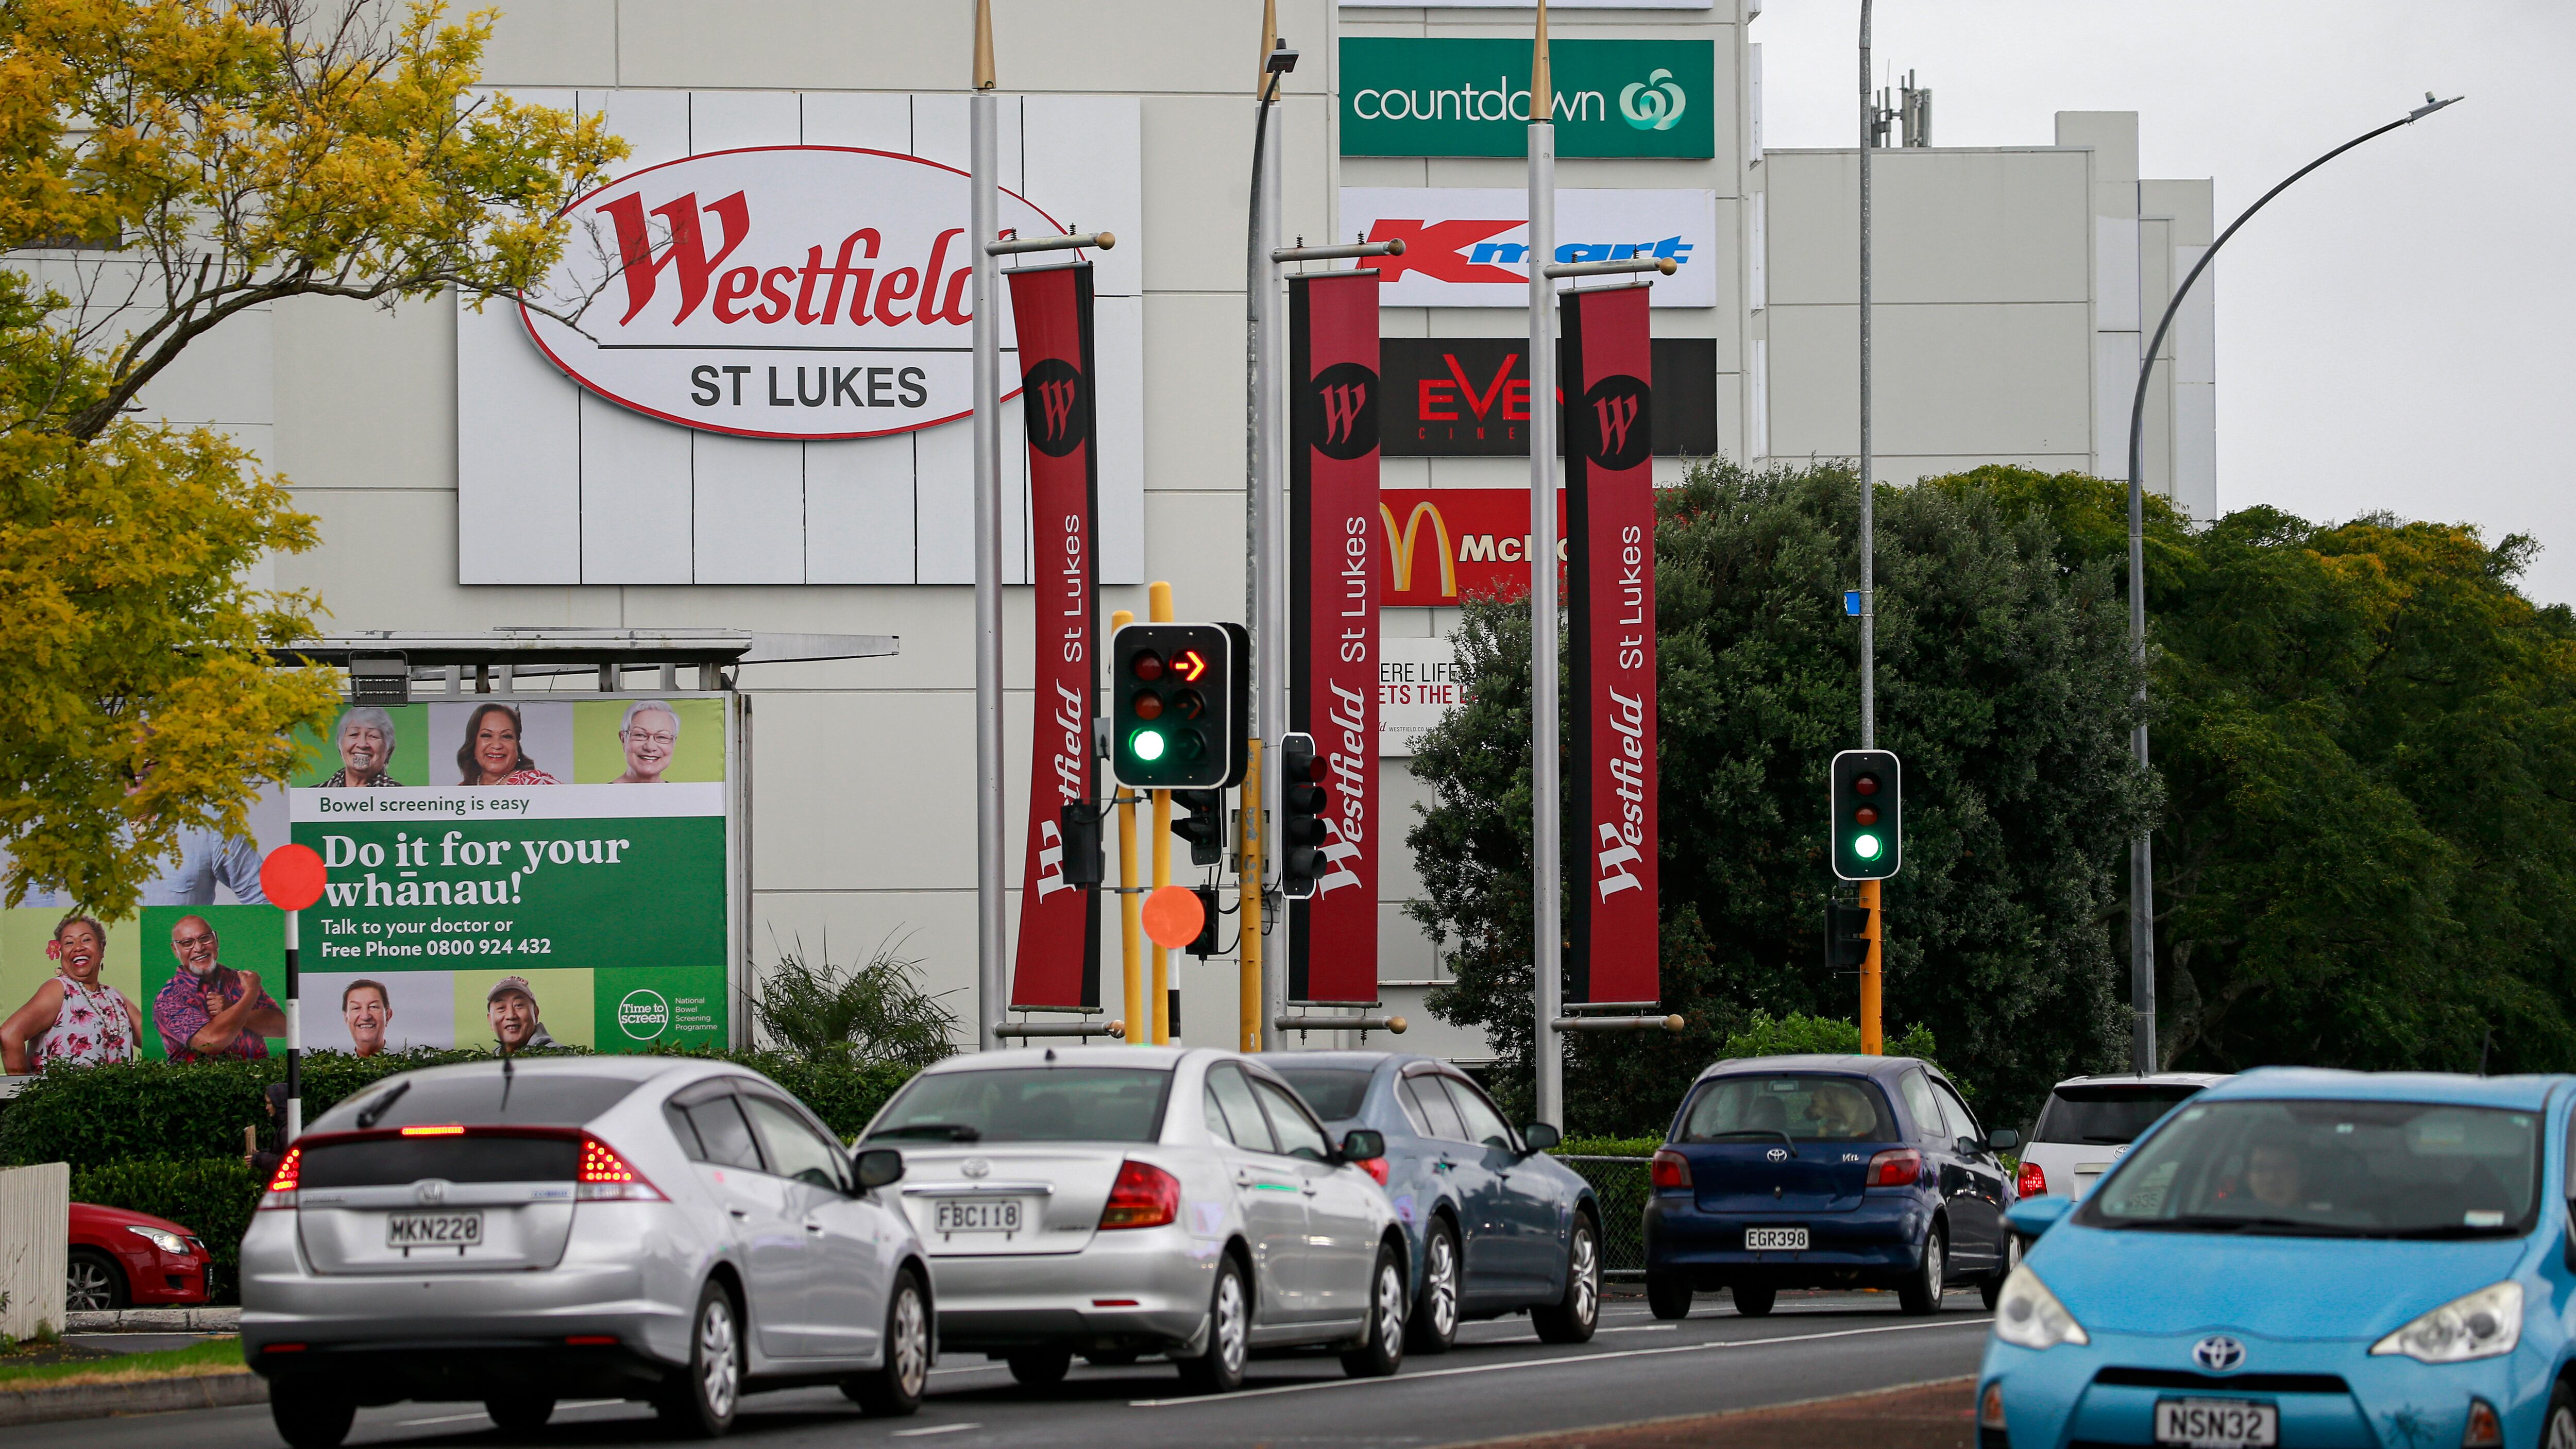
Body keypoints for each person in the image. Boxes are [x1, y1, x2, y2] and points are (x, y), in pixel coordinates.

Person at [0, 917, 141, 1073]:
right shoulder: (59, 989)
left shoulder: (114, 996)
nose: (78, 948)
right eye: (69, 943)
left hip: (115, 1096)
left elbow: (157, 1036)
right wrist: (25, 1092)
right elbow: (9, 1034)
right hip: (63, 1096)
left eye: (86, 940)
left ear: (102, 948)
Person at [152, 914, 285, 1063]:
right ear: (176, 950)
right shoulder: (169, 998)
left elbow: (282, 1027)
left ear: (216, 940)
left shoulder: (240, 979)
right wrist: (250, 994)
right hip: (203, 1084)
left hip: (258, 1080)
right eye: (188, 943)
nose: (199, 948)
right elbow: (211, 1042)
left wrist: (232, 1008)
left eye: (205, 939)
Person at [455, 702, 559, 786]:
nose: (497, 745)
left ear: (517, 744)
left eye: (506, 736)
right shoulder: (461, 791)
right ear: (473, 743)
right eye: (487, 735)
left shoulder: (538, 784)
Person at [318, 707, 402, 788]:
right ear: (340, 743)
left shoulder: (403, 798)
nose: (362, 744)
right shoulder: (314, 796)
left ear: (389, 749)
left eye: (373, 736)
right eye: (354, 734)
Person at [612, 701, 680, 784]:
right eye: (640, 735)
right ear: (623, 740)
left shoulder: (681, 796)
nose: (650, 747)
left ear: (673, 743)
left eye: (661, 737)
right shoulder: (600, 795)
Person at [488, 975, 554, 1051]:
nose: (511, 1016)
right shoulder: (491, 1059)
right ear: (491, 1021)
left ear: (535, 1014)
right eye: (501, 1008)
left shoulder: (557, 1057)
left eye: (518, 1005)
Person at [342, 979, 392, 1057]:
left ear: (388, 1015)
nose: (365, 1017)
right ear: (346, 1018)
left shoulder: (410, 1062)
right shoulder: (334, 1065)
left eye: (373, 1007)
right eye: (356, 1008)